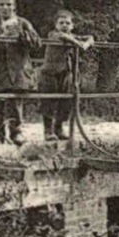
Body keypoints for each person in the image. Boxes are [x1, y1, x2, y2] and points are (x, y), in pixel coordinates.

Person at [0, 0, 42, 144]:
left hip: (18, 70)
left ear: (14, 7)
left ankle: (16, 132)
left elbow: (37, 44)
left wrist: (24, 36)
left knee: (15, 102)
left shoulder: (23, 23)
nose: (5, 8)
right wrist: (1, 39)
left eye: (9, 4)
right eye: (1, 5)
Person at [37, 9, 93, 142]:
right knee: (49, 101)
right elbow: (64, 37)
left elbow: (90, 37)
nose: (64, 25)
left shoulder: (72, 36)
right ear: (56, 25)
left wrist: (87, 43)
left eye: (68, 23)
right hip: (49, 73)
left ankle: (59, 128)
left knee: (66, 101)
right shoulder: (54, 35)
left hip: (65, 73)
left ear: (72, 26)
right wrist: (79, 44)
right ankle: (48, 131)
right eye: (61, 23)